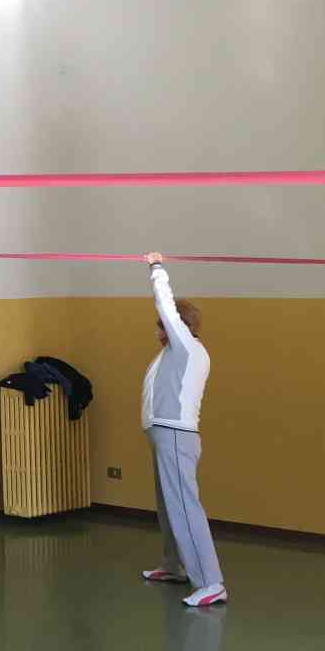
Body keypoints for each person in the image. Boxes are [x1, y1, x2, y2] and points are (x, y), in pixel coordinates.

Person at [140, 253, 226, 608]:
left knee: (184, 507)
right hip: (164, 436)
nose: (157, 330)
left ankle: (210, 582)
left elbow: (166, 305)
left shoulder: (187, 347)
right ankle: (173, 565)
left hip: (175, 436)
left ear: (175, 324)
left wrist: (156, 268)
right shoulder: (172, 353)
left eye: (161, 324)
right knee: (168, 506)